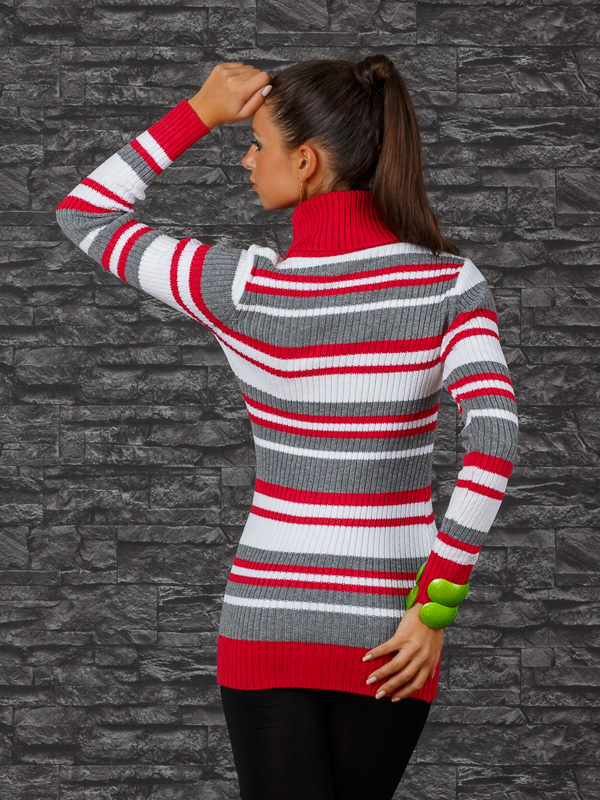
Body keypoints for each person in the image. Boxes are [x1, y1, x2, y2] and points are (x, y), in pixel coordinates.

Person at [55, 56, 519, 800]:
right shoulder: (447, 284)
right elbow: (493, 440)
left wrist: (199, 111)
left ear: (304, 163)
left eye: (257, 144)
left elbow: (85, 213)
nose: (247, 159)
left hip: (264, 618)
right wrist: (433, 610)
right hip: (392, 632)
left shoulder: (243, 286)